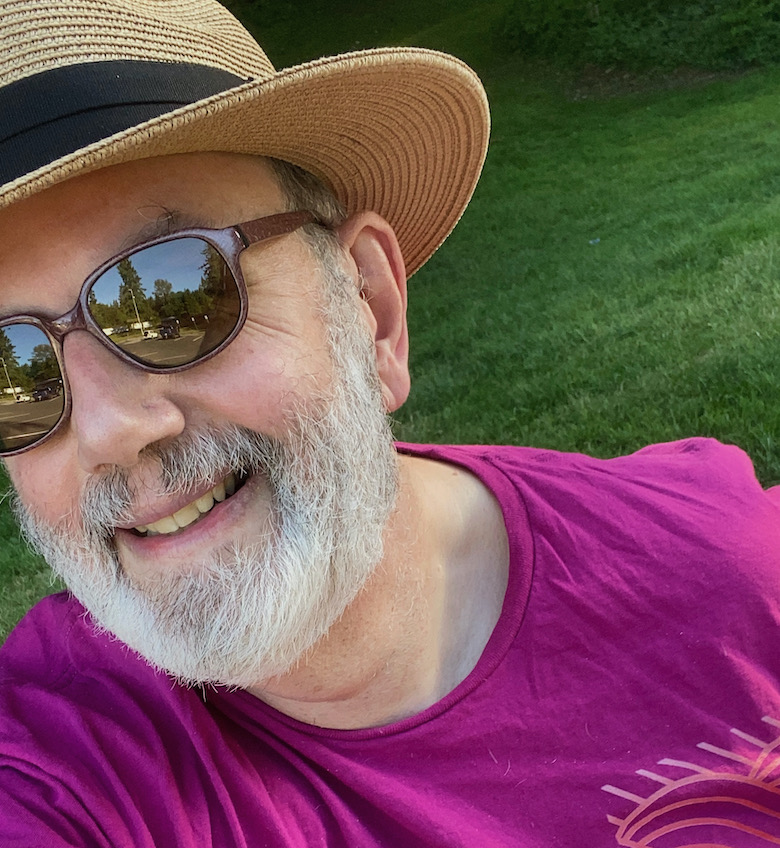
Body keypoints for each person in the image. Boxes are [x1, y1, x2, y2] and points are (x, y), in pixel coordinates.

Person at [1, 1, 779, 846]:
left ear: (369, 305)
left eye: (176, 296)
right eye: (12, 373)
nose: (109, 430)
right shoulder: (53, 771)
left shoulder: (731, 588)